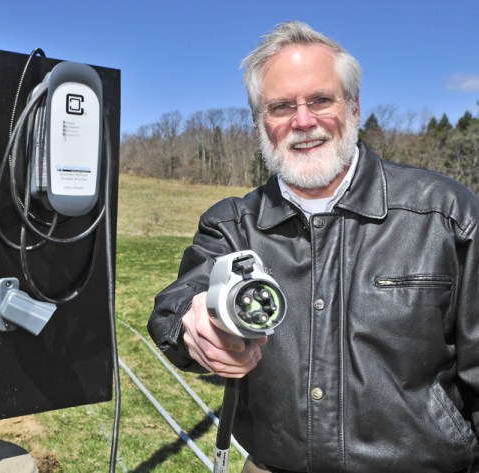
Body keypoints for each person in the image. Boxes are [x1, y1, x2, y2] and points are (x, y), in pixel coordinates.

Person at [148, 21, 479, 473]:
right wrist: (193, 324)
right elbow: (173, 307)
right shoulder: (233, 224)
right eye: (281, 106)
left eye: (321, 100)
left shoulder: (445, 214)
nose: (303, 122)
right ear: (259, 122)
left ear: (355, 107)